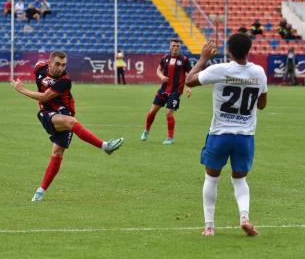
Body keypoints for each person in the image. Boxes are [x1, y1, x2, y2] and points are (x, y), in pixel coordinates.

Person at [10, 51, 124, 202]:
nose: (60, 68)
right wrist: (24, 88)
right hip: (47, 114)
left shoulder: (64, 81)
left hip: (64, 113)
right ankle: (105, 146)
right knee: (71, 122)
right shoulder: (39, 68)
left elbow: (45, 96)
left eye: (63, 65)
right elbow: (43, 96)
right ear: (49, 62)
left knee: (57, 153)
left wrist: (22, 89)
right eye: (57, 64)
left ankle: (40, 191)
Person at [185, 34, 268, 237]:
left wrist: (203, 59)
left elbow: (189, 80)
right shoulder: (259, 72)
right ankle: (244, 218)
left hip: (220, 134)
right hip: (245, 136)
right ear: (249, 51)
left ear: (228, 51)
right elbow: (262, 104)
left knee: (211, 179)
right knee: (240, 180)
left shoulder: (219, 69)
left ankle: (209, 227)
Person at [140, 38, 192, 144]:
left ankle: (170, 138)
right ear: (170, 47)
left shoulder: (184, 60)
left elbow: (190, 74)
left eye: (177, 46)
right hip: (163, 90)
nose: (175, 48)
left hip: (175, 91)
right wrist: (161, 76)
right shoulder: (165, 58)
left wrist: (189, 87)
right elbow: (158, 70)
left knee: (169, 113)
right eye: (173, 45)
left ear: (180, 47)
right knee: (152, 111)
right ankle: (146, 131)